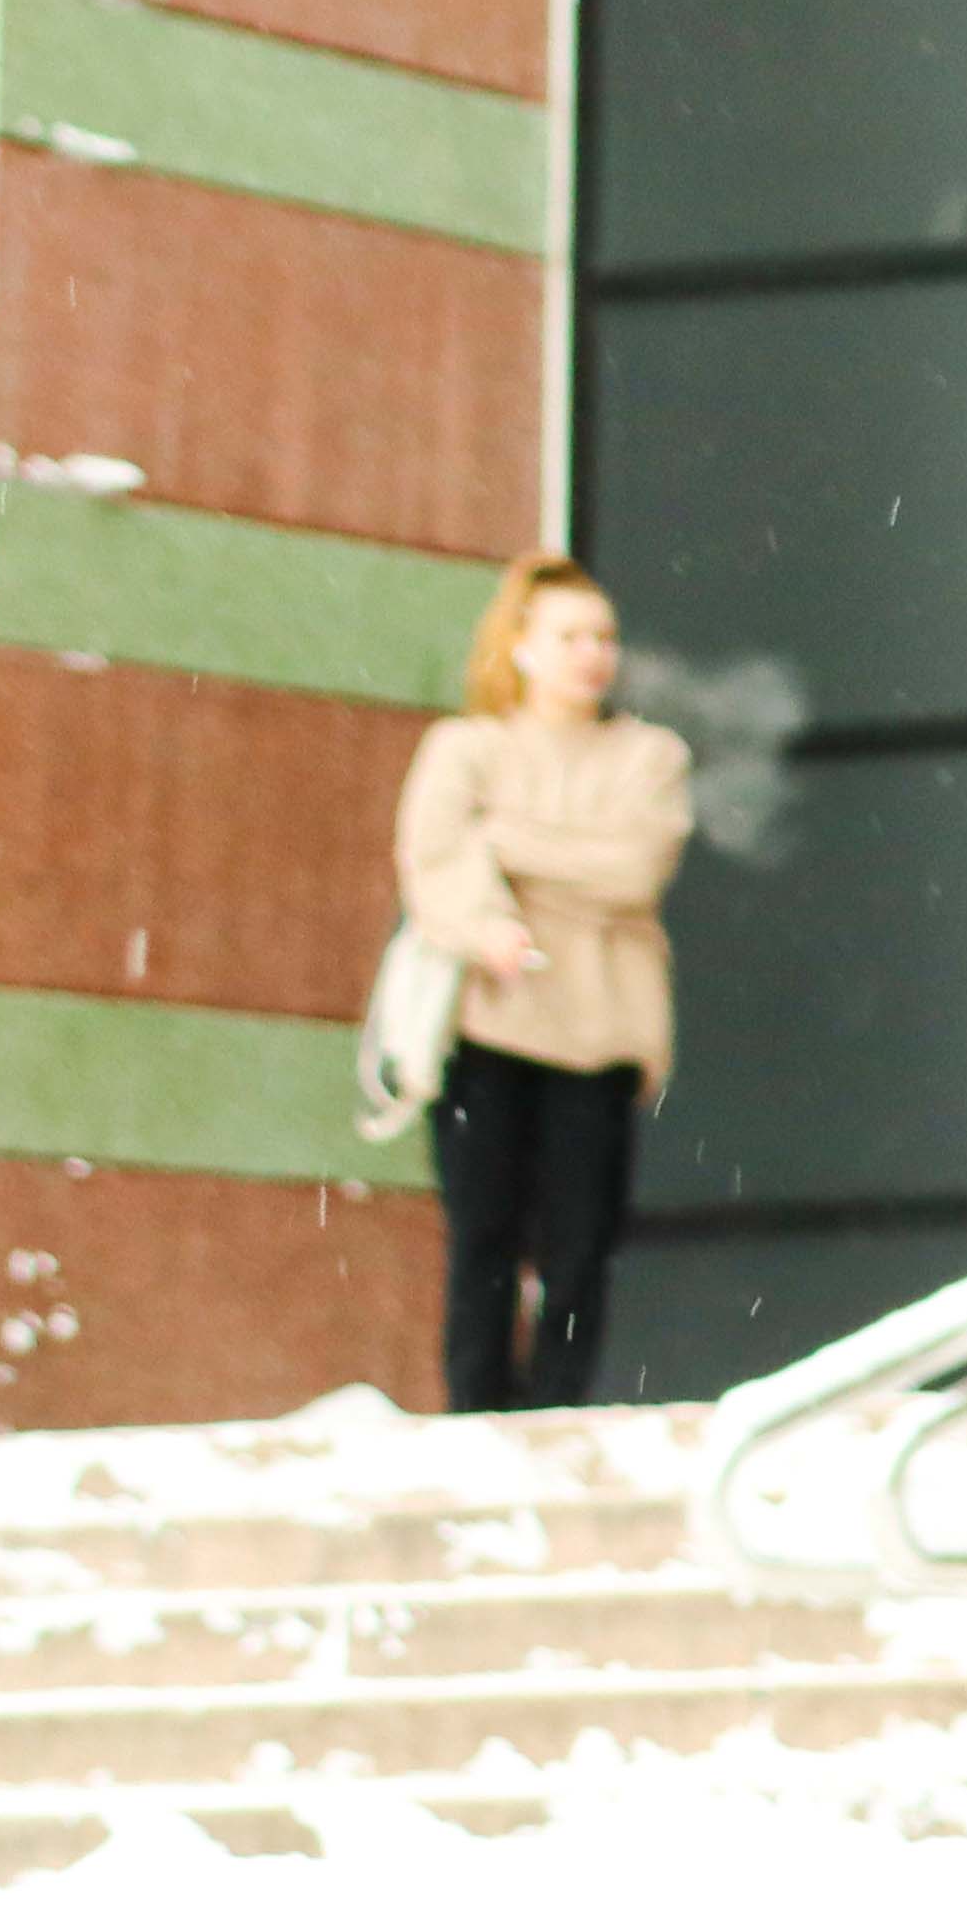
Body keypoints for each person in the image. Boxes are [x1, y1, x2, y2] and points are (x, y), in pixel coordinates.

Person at [394, 554, 697, 1413]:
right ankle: (476, 1417)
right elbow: (434, 866)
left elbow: (634, 870)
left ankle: (558, 1414)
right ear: (519, 647)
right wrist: (486, 912)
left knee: (579, 1249)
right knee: (482, 1240)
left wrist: (502, 844)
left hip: (603, 1036)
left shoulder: (649, 756)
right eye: (569, 636)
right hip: (487, 1029)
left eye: (603, 637)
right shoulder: (466, 747)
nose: (591, 655)